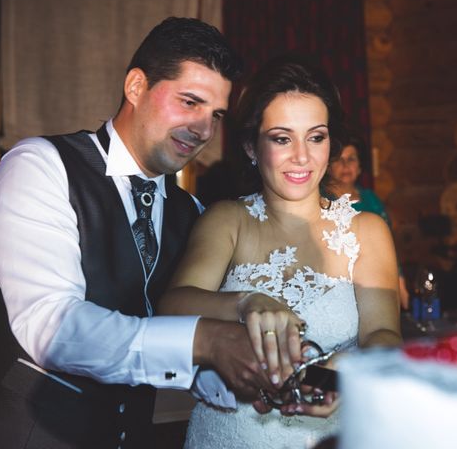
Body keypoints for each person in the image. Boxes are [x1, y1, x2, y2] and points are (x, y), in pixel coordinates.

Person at [0, 17, 275, 448]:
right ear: (135, 87)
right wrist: (203, 339)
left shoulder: (191, 212)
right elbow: (50, 326)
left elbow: (183, 353)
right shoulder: (41, 166)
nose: (203, 129)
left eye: (215, 114)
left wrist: (251, 383)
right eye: (189, 102)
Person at [158, 55, 403, 449]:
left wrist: (344, 376)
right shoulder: (227, 221)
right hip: (230, 435)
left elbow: (384, 334)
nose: (302, 156)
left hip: (332, 434)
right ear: (252, 147)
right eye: (282, 138)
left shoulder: (366, 230)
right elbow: (170, 307)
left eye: (316, 137)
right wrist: (245, 303)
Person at [326, 135, 410, 309]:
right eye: (338, 160)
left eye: (351, 159)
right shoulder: (322, 200)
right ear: (328, 167)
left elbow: (388, 243)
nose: (345, 165)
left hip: (377, 280)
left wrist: (400, 285)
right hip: (338, 284)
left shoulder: (370, 199)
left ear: (359, 167)